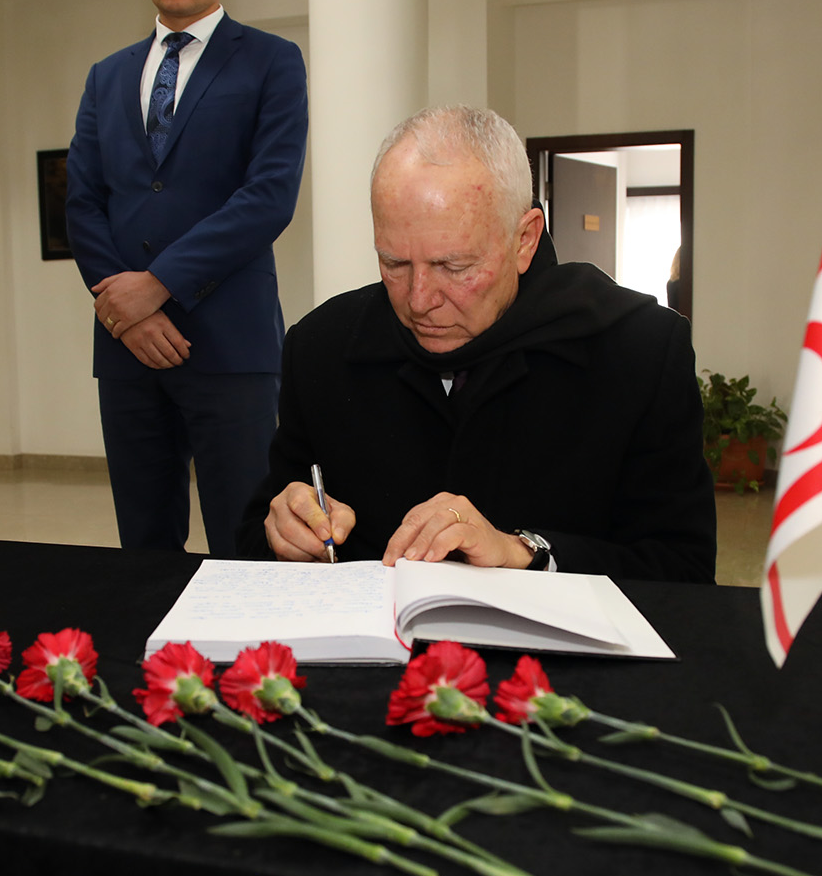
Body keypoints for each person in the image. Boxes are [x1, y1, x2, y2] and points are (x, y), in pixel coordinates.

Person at [238, 106, 716, 582]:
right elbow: (259, 534)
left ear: (525, 240)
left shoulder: (639, 351)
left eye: (454, 267)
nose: (419, 300)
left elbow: (683, 573)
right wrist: (282, 532)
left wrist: (526, 553)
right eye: (395, 264)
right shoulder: (320, 348)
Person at [66, 0, 308, 558]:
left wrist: (156, 285)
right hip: (126, 351)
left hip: (231, 347)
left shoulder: (272, 62)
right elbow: (82, 202)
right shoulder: (106, 77)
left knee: (245, 543)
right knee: (143, 548)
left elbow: (268, 196)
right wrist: (129, 313)